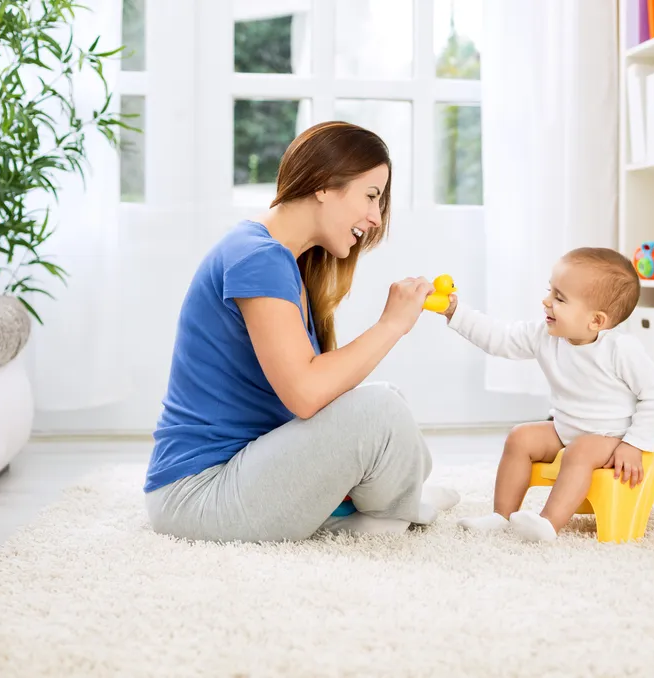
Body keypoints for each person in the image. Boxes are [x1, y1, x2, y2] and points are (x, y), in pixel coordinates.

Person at [144, 121, 459, 543]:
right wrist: (391, 325)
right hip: (199, 494)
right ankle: (389, 512)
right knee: (380, 411)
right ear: (324, 185)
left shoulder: (276, 257)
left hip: (238, 473)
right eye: (371, 196)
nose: (375, 217)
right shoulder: (259, 257)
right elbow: (306, 394)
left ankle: (384, 504)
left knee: (385, 401)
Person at [437, 247, 654, 542]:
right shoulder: (545, 335)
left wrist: (634, 444)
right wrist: (456, 311)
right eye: (550, 291)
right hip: (566, 429)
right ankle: (501, 516)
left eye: (559, 298)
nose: (546, 301)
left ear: (596, 321)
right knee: (520, 437)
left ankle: (548, 523)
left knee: (579, 452)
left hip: (611, 436)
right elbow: (500, 338)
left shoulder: (620, 349)